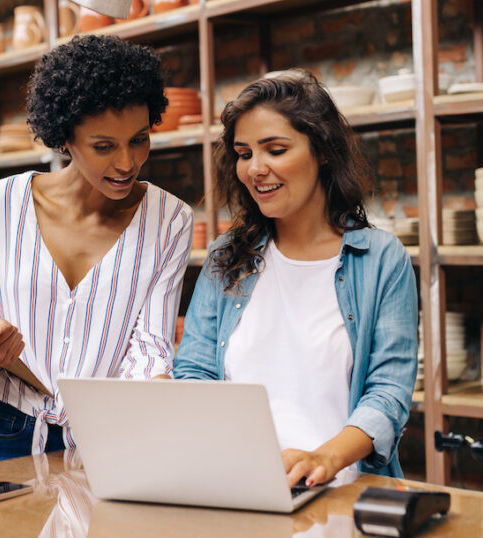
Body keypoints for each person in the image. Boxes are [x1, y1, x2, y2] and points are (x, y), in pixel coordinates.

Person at [0, 35, 193, 464]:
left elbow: (151, 346)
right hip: (7, 431)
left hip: (111, 438)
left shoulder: (171, 218)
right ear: (65, 138)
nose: (126, 163)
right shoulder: (0, 204)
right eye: (104, 146)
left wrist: (159, 398)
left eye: (139, 139)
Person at [173, 69, 416, 485]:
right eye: (245, 153)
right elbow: (194, 371)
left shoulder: (380, 259)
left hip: (337, 487)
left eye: (276, 149)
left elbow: (388, 392)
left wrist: (324, 459)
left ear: (321, 151)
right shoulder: (226, 256)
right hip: (237, 484)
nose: (255, 169)